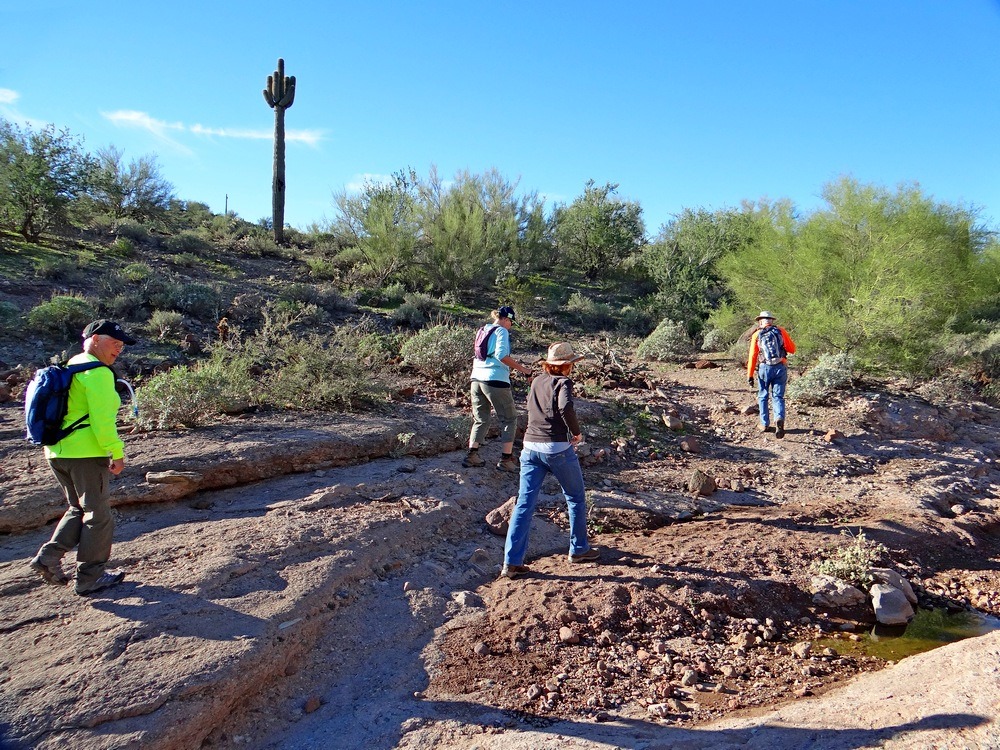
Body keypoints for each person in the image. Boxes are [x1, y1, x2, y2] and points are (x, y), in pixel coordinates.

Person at [29, 319, 136, 595]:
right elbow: (102, 420)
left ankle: (49, 557)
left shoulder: (70, 366)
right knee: (99, 517)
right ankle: (90, 577)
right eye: (115, 343)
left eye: (122, 346)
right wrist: (116, 451)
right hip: (86, 455)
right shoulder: (98, 373)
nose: (119, 349)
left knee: (78, 508)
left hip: (57, 452)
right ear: (95, 339)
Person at [501, 341, 599, 579]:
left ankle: (511, 563)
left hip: (529, 448)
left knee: (524, 503)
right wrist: (575, 433)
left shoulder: (536, 381)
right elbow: (565, 408)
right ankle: (578, 549)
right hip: (557, 448)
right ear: (567, 366)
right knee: (575, 498)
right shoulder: (564, 382)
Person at [463, 305, 533, 472]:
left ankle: (472, 455)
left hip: (476, 379)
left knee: (481, 418)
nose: (511, 326)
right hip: (495, 380)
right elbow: (502, 356)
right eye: (511, 322)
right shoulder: (501, 331)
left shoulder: (482, 330)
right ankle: (506, 460)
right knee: (509, 418)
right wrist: (525, 370)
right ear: (506, 319)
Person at [746, 310, 796, 439]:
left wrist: (750, 375)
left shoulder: (757, 334)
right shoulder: (781, 331)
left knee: (763, 394)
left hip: (764, 368)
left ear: (761, 321)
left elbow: (752, 356)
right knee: (778, 396)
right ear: (771, 321)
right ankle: (779, 417)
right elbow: (792, 349)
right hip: (780, 367)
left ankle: (764, 424)